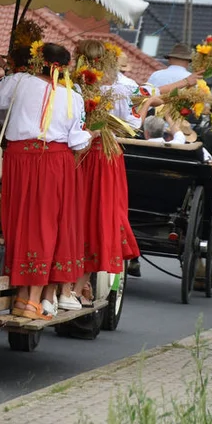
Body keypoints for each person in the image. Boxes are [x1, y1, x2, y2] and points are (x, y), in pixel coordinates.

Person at [0, 41, 90, 321]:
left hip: (20, 160)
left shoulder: (19, 82)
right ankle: (32, 300)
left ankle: (22, 296)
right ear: (65, 68)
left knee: (19, 222)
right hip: (56, 162)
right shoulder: (73, 97)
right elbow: (79, 143)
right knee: (46, 226)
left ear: (37, 60)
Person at [72, 40, 140, 306]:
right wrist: (145, 106)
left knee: (76, 215)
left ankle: (72, 284)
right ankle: (79, 286)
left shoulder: (74, 87)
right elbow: (133, 125)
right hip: (104, 158)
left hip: (78, 156)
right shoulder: (121, 91)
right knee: (98, 218)